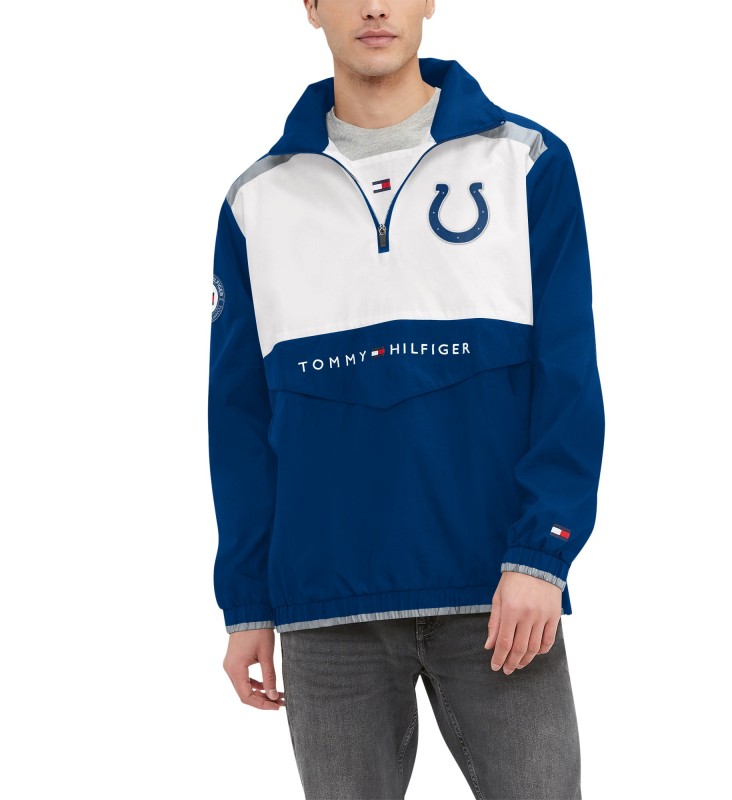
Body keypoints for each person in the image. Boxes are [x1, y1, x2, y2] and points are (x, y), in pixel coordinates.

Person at [207, 1, 604, 797]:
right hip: (326, 601)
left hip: (497, 588)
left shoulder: (524, 161)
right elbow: (239, 417)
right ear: (311, 7)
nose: (375, 7)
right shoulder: (258, 199)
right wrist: (246, 600)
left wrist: (544, 553)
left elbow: (568, 373)